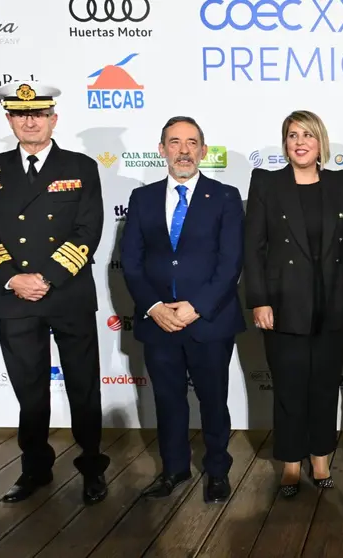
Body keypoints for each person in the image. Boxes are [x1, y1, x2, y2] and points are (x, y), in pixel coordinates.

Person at [0, 81, 109, 504]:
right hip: (15, 298)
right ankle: (35, 469)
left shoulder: (81, 166)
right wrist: (13, 278)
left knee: (83, 385)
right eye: (20, 114)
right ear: (9, 119)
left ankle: (91, 467)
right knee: (29, 390)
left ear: (53, 119)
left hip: (66, 293)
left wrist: (45, 277)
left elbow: (88, 230)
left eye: (38, 114)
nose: (30, 121)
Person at [120, 116, 245, 504]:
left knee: (213, 399)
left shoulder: (225, 196)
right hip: (158, 323)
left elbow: (231, 262)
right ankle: (174, 469)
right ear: (162, 150)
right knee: (168, 400)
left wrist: (197, 307)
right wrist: (155, 307)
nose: (184, 150)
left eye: (192, 143)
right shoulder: (142, 199)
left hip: (208, 321)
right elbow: (132, 261)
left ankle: (218, 472)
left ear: (204, 151)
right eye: (175, 142)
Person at [244, 110, 343, 497]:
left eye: (307, 135)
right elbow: (253, 247)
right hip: (283, 304)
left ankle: (321, 457)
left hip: (332, 305)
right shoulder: (266, 182)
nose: (300, 142)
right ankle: (291, 462)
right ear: (285, 143)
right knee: (289, 387)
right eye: (293, 135)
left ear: (320, 141)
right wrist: (259, 300)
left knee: (325, 387)